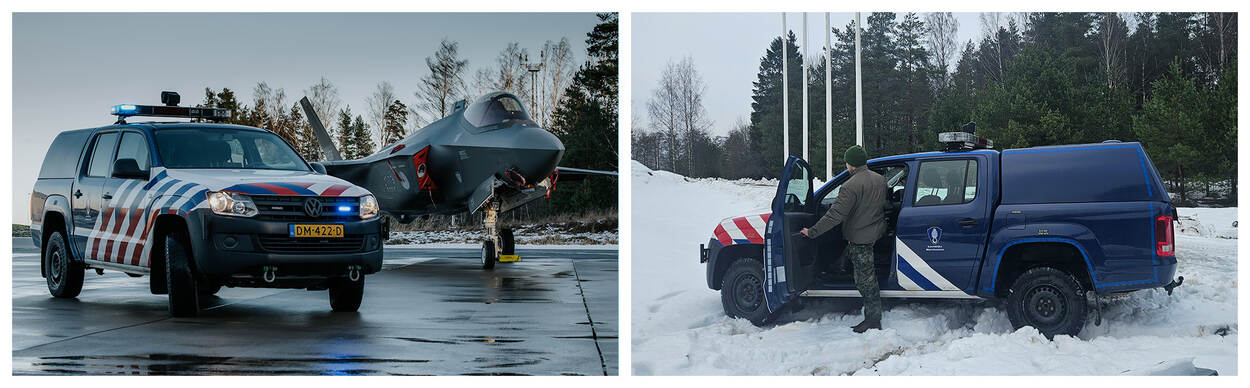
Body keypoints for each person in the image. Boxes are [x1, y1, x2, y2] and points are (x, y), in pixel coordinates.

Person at [800, 145, 887, 333]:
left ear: (851, 164)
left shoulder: (850, 186)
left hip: (861, 238)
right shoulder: (880, 180)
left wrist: (812, 232)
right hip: (875, 232)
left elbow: (834, 216)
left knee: (865, 281)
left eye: (847, 162)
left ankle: (873, 319)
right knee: (859, 266)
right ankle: (838, 264)